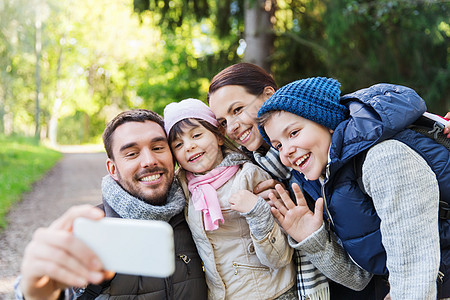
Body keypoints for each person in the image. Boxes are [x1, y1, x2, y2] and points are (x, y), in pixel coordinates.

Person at [257, 77, 450, 299]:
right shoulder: (331, 180)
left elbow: (414, 266)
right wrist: (313, 239)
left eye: (293, 133)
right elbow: (359, 278)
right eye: (278, 145)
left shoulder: (384, 158)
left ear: (326, 122)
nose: (286, 151)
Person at [207, 63, 381, 299]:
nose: (232, 127)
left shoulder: (324, 151)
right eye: (223, 122)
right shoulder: (248, 175)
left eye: (237, 109)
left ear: (268, 95)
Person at [15, 109, 208, 300]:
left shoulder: (201, 215)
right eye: (132, 154)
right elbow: (53, 290)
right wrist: (35, 293)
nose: (149, 161)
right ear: (113, 169)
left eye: (158, 148)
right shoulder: (91, 232)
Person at [163, 98, 298, 300]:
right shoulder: (183, 186)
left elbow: (279, 258)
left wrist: (257, 211)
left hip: (271, 293)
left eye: (197, 135)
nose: (189, 146)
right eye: (178, 144)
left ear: (218, 136)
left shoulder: (249, 176)